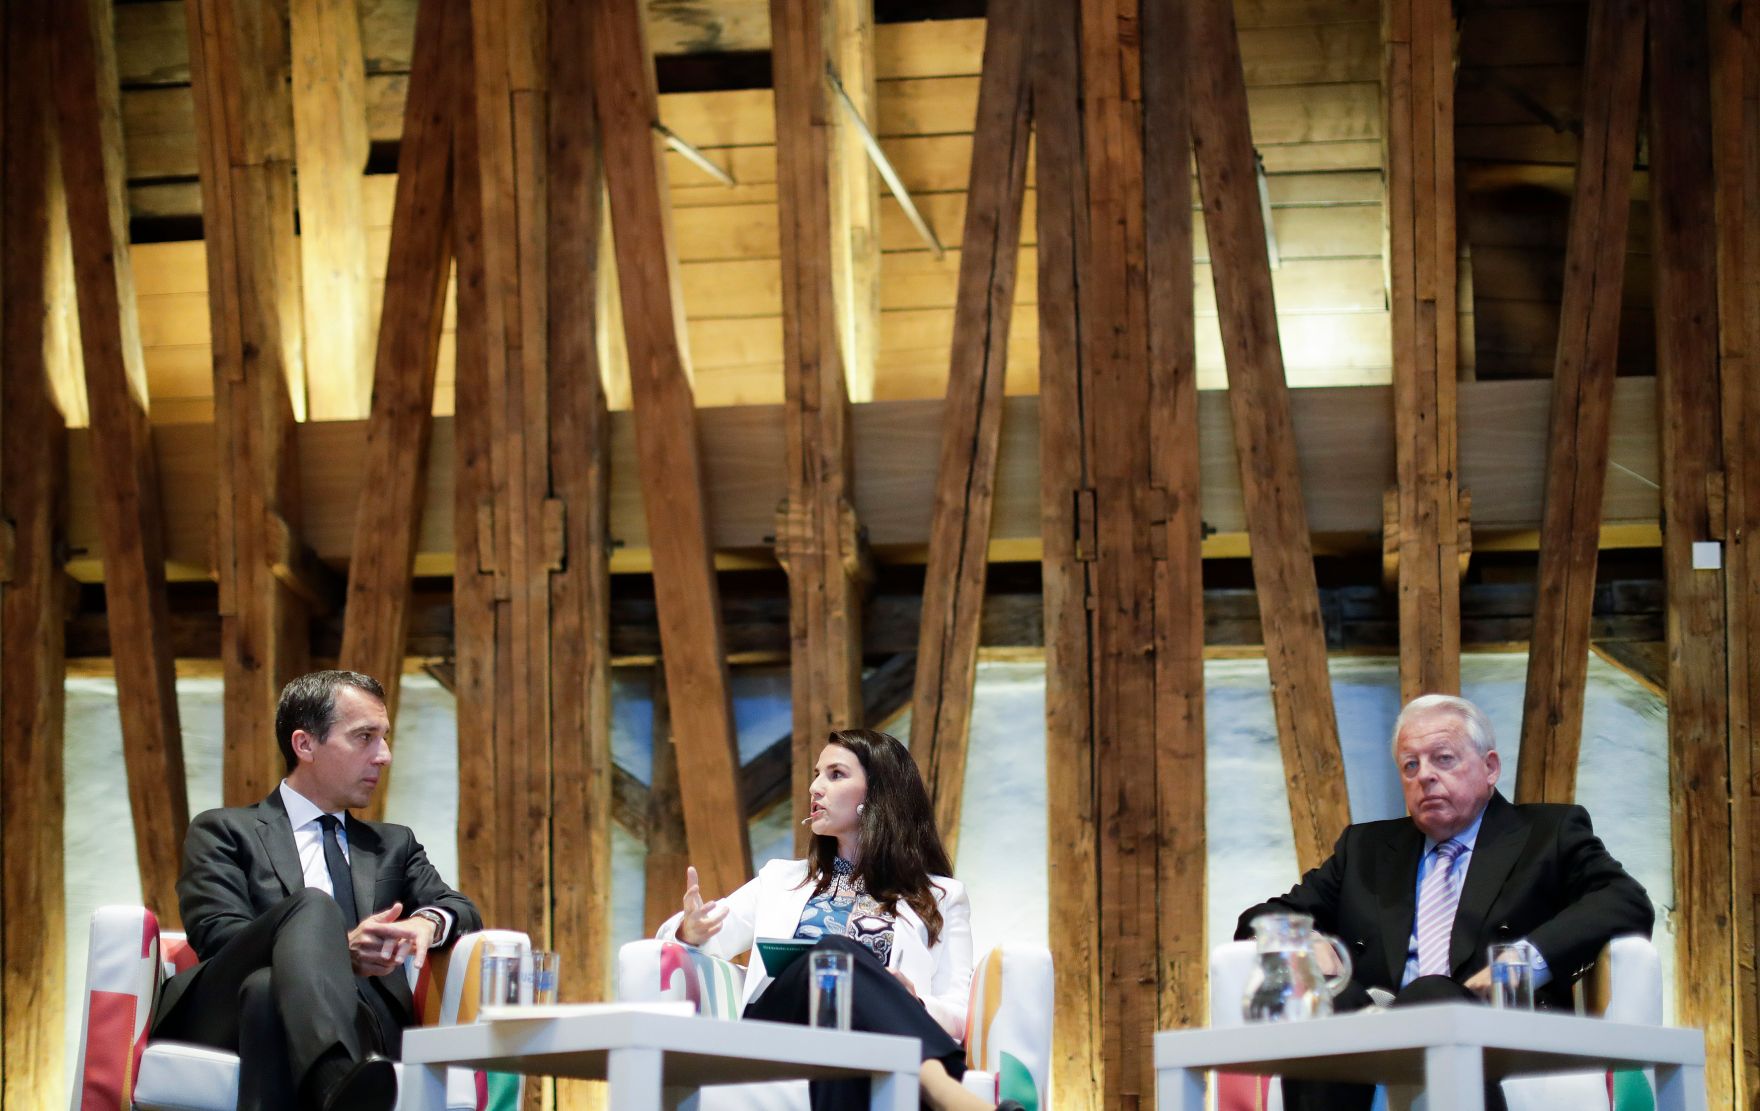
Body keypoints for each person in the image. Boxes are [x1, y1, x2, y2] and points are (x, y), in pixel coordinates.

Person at [1235, 693, 1654, 1111]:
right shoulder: (1366, 849)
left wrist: (1521, 963)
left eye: (1444, 759)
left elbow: (1625, 900)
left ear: (1490, 767)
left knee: (1432, 993)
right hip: (1374, 1022)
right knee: (1326, 1005)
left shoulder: (1549, 833)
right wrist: (1302, 944)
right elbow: (1261, 918)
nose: (1425, 777)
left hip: (1494, 1023)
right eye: (1411, 765)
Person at [152, 671, 481, 1111]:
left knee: (268, 992)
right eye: (364, 737)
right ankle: (337, 1074)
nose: (383, 756)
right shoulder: (224, 830)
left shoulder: (393, 844)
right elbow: (218, 937)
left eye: (384, 738)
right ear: (305, 745)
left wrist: (425, 922)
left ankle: (331, 1074)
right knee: (310, 907)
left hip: (358, 1014)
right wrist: (334, 950)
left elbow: (460, 908)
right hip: (219, 1012)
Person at [660, 728, 1023, 1111]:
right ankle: (940, 1088)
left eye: (835, 775)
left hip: (870, 1042)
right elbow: (685, 939)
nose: (815, 787)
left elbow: (958, 1011)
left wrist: (912, 999)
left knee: (848, 1016)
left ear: (878, 793)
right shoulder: (780, 879)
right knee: (835, 955)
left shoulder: (942, 896)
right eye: (817, 774)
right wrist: (690, 929)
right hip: (778, 1029)